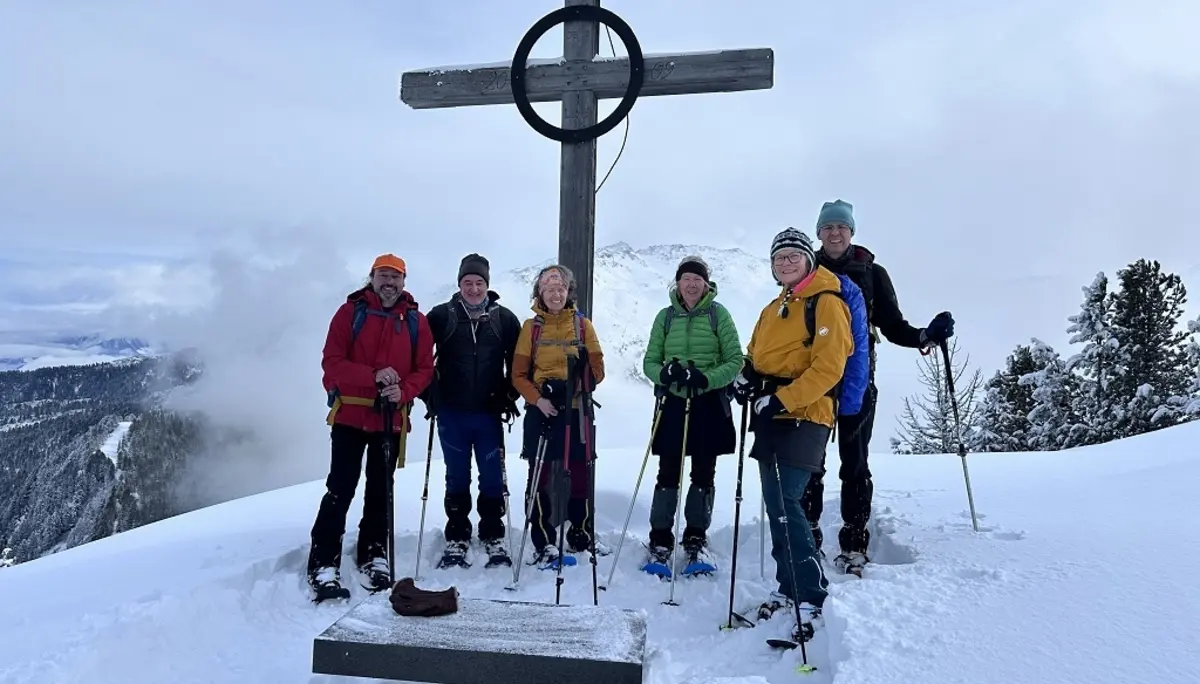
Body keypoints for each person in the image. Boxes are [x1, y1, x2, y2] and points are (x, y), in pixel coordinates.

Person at [804, 199, 954, 577]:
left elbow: (892, 325)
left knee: (855, 464)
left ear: (851, 231)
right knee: (810, 463)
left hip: (857, 379)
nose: (835, 233)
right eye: (828, 228)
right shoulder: (807, 270)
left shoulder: (872, 272)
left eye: (841, 227)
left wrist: (924, 335)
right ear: (818, 233)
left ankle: (855, 542)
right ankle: (808, 537)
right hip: (813, 379)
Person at [733, 228, 852, 643]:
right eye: (778, 258)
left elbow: (829, 366)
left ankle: (811, 594)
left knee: (787, 500)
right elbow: (756, 354)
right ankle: (790, 589)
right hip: (772, 413)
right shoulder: (774, 306)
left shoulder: (826, 302)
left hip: (807, 414)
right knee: (776, 503)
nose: (785, 263)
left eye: (792, 256)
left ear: (808, 259)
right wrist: (746, 377)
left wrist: (784, 398)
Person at [307, 253, 435, 600]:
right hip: (350, 414)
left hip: (389, 419)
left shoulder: (416, 321)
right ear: (372, 277)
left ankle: (373, 553)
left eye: (395, 277)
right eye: (383, 275)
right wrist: (374, 376)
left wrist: (403, 391)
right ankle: (323, 559)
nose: (389, 282)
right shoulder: (350, 313)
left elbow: (424, 369)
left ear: (404, 282)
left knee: (381, 490)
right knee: (341, 487)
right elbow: (332, 363)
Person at [639, 255, 743, 577]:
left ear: (706, 283)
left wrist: (706, 378)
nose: (692, 284)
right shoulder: (665, 317)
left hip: (707, 403)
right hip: (672, 402)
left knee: (703, 472)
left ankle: (696, 538)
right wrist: (664, 373)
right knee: (667, 471)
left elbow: (735, 359)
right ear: (678, 283)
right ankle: (660, 540)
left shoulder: (718, 314)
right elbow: (649, 362)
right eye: (686, 278)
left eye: (697, 278)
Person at [422, 253, 523, 570]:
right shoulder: (441, 316)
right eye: (468, 282)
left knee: (492, 476)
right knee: (457, 475)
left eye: (479, 282)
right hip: (452, 412)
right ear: (459, 284)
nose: (474, 289)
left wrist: (509, 394)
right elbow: (420, 359)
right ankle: (458, 534)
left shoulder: (504, 319)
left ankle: (493, 533)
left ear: (488, 285)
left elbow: (519, 363)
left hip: (489, 412)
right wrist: (430, 395)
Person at [511, 264, 606, 569]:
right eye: (549, 288)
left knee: (580, 472)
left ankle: (580, 532)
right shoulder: (531, 328)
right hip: (542, 410)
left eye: (560, 288)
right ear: (539, 291)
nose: (555, 293)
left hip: (576, 409)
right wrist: (539, 399)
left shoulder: (583, 326)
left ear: (568, 292)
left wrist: (573, 387)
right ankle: (543, 540)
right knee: (538, 475)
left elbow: (598, 370)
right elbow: (518, 375)